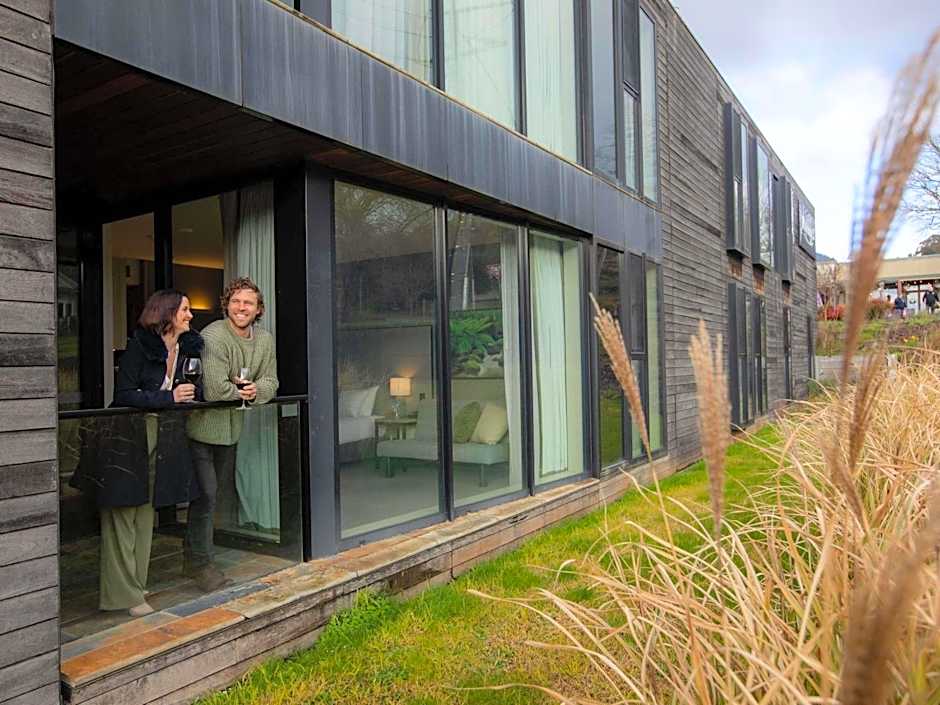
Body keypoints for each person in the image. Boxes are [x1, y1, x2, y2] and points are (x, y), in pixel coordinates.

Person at [72, 290, 203, 616]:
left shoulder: (186, 349)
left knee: (145, 512)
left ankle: (135, 583)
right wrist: (170, 398)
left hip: (163, 434)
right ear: (168, 313)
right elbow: (125, 394)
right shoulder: (138, 348)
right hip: (126, 435)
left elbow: (190, 389)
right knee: (121, 514)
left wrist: (189, 395)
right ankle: (123, 596)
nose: (190, 315)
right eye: (185, 310)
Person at [185, 277, 279, 592]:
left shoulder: (264, 340)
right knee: (207, 497)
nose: (241, 307)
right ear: (226, 305)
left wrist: (256, 390)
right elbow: (214, 389)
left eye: (248, 303)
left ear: (258, 309)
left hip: (231, 432)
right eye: (236, 301)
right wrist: (244, 392)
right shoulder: (213, 335)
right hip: (200, 430)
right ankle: (202, 566)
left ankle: (192, 558)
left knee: (211, 497)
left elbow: (271, 381)